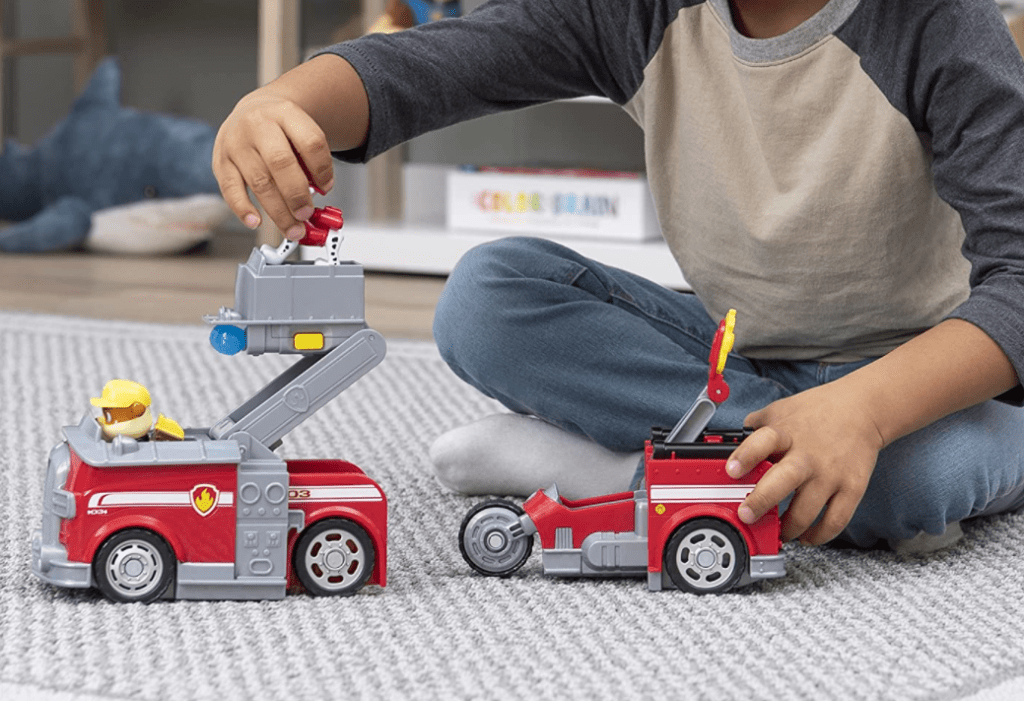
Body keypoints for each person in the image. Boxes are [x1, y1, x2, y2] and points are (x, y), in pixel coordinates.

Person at [212, 0, 1024, 553]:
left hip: (928, 381)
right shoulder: (638, 12)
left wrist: (864, 411)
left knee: (922, 478)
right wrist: (283, 102)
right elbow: (427, 68)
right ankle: (721, 461)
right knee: (488, 296)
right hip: (738, 361)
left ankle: (612, 470)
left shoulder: (943, 26)